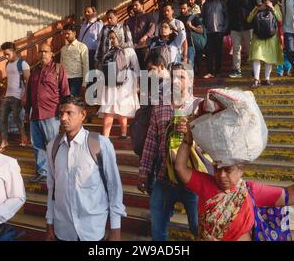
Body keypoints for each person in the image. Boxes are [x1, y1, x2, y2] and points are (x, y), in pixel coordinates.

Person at [174, 123, 294, 241]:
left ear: (241, 170)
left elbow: (289, 194)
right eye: (218, 169)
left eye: (228, 170)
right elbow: (180, 168)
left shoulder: (251, 191)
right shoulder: (206, 183)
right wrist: (188, 140)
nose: (222, 175)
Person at [45, 96, 126, 241]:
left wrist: (115, 230)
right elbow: (52, 188)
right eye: (61, 113)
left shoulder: (99, 144)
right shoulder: (53, 146)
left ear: (82, 115)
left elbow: (114, 187)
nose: (63, 118)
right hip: (63, 229)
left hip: (92, 229)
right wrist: (49, 223)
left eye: (69, 113)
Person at [138, 63, 198, 241]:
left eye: (181, 77)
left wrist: (190, 134)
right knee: (158, 230)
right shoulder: (160, 107)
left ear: (191, 80)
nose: (176, 81)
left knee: (199, 228)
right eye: (173, 77)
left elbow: (209, 147)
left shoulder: (199, 107)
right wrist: (144, 172)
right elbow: (151, 141)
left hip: (193, 182)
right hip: (164, 179)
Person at [25, 42, 70, 182]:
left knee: (52, 145)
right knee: (37, 145)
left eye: (46, 51)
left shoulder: (58, 69)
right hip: (35, 114)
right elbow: (29, 93)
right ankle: (42, 172)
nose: (43, 54)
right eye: (41, 52)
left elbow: (65, 91)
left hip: (52, 113)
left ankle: (57, 173)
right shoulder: (35, 70)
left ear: (51, 54)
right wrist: (27, 112)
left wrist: (65, 112)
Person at [98, 30, 140, 138]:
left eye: (113, 38)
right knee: (109, 109)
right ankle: (105, 136)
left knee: (122, 108)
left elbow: (136, 68)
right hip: (110, 83)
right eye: (110, 38)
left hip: (126, 83)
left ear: (120, 37)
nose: (111, 41)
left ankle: (124, 133)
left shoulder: (129, 51)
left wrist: (137, 84)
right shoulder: (109, 51)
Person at [247, 0, 284, 87]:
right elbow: (249, 19)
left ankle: (267, 79)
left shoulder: (275, 6)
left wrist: (272, 8)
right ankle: (256, 79)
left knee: (269, 58)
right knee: (256, 57)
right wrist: (258, 9)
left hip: (271, 37)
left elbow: (280, 19)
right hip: (258, 36)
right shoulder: (257, 6)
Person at [0, 42, 30, 150]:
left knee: (17, 118)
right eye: (5, 54)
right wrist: (4, 93)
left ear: (14, 51)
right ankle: (4, 140)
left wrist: (25, 95)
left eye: (8, 54)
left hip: (18, 95)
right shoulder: (7, 64)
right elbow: (8, 80)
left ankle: (23, 137)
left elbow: (28, 80)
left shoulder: (23, 64)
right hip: (8, 95)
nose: (6, 57)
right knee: (2, 117)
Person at [226, 0, 258, 78]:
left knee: (250, 49)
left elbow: (256, 7)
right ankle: (236, 70)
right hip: (235, 27)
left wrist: (253, 21)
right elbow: (229, 12)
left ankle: (254, 69)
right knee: (236, 49)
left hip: (248, 26)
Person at [202, 0, 228, 78]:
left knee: (218, 52)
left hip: (219, 31)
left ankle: (218, 71)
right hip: (208, 32)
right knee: (209, 52)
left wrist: (225, 27)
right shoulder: (205, 5)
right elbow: (203, 17)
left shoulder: (221, 2)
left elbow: (226, 16)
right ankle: (210, 71)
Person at [125, 0, 156, 70]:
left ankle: (144, 82)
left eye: (136, 5)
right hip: (133, 48)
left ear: (142, 4)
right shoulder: (130, 20)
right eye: (133, 6)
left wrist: (145, 36)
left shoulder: (148, 16)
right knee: (134, 69)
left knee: (144, 68)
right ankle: (136, 81)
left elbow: (152, 28)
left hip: (144, 46)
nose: (134, 7)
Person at [60, 24, 89, 98]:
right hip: (64, 80)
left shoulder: (82, 47)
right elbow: (61, 66)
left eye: (68, 33)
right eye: (65, 34)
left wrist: (84, 84)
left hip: (76, 80)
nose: (66, 36)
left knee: (73, 103)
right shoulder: (63, 49)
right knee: (65, 102)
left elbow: (86, 66)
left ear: (74, 33)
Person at [275, 0, 294, 77]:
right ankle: (279, 70)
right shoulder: (275, 6)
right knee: (279, 51)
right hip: (277, 31)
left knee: (289, 50)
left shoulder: (292, 4)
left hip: (290, 30)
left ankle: (287, 68)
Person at [178, 0, 204, 70]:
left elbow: (201, 30)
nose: (182, 10)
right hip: (179, 46)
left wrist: (191, 26)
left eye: (184, 8)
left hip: (190, 45)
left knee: (189, 66)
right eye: (180, 8)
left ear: (188, 8)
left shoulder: (193, 18)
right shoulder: (177, 19)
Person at [78, 6, 103, 71]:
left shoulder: (98, 24)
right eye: (85, 12)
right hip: (82, 52)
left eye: (88, 12)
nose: (86, 13)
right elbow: (80, 38)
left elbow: (101, 40)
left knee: (92, 73)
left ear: (94, 13)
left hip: (93, 53)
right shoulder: (83, 25)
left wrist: (98, 56)